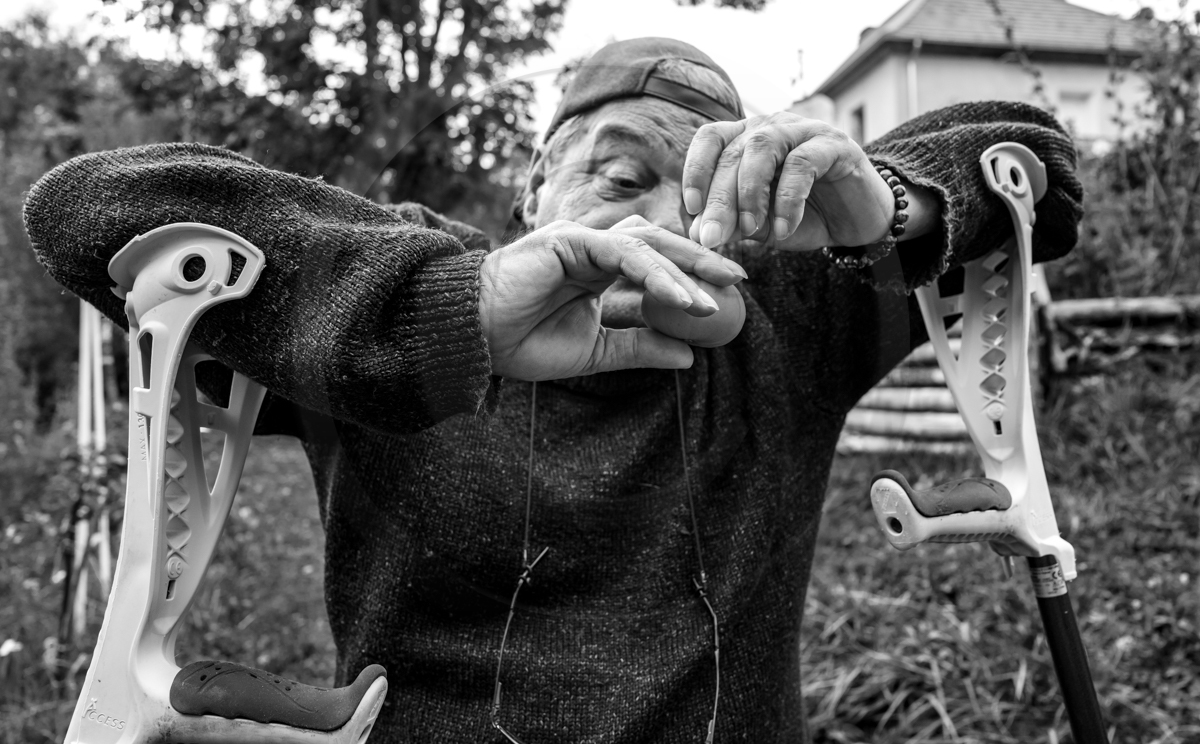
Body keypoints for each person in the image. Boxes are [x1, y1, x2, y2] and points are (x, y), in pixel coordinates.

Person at [23, 37, 1082, 742]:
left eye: (708, 184)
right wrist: (458, 312)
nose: (665, 215)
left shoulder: (789, 320)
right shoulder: (412, 291)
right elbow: (83, 209)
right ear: (535, 189)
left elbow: (1032, 160)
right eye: (621, 176)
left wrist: (881, 206)